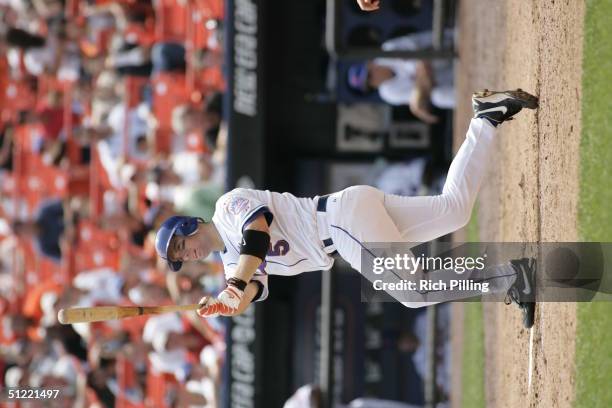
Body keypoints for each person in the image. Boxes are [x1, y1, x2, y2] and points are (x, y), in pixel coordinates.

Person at [154, 90, 539, 328]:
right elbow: (254, 287)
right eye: (180, 258)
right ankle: (487, 118)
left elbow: (257, 229)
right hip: (350, 220)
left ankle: (512, 277)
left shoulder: (227, 205)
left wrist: (234, 285)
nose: (187, 255)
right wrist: (228, 303)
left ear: (188, 226)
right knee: (453, 210)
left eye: (180, 247)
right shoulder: (230, 264)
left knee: (414, 292)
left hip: (340, 224)